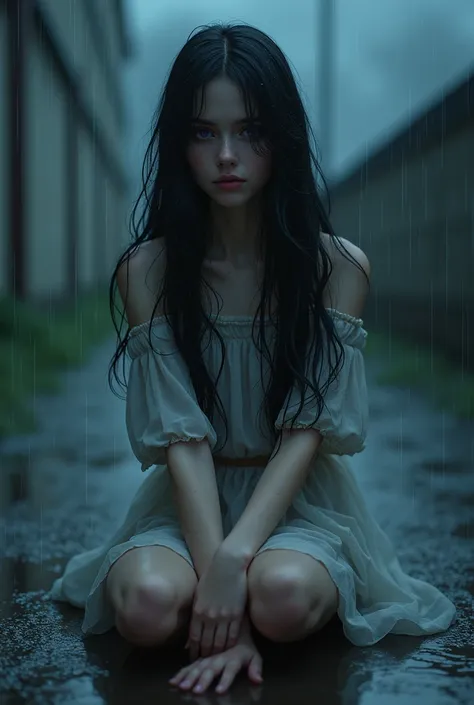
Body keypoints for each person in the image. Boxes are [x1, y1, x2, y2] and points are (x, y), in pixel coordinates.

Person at [51, 22, 456, 696]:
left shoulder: (336, 266)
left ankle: (279, 592)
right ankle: (218, 611)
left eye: (252, 130)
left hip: (301, 504)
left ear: (284, 137)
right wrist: (220, 572)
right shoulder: (148, 271)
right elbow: (181, 439)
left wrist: (237, 563)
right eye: (204, 132)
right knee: (150, 606)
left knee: (282, 596)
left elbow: (308, 431)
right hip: (185, 507)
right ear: (179, 142)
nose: (228, 155)